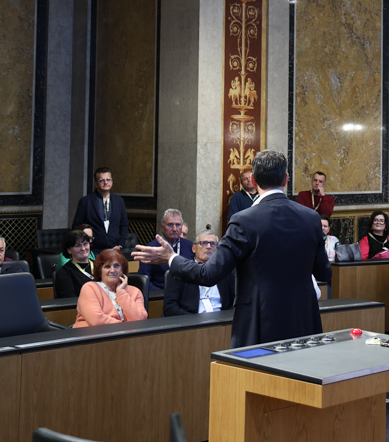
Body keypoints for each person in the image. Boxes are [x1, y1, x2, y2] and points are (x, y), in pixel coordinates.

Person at [133, 149, 331, 348]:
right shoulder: (311, 218)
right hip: (304, 322)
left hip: (260, 324)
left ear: (253, 180)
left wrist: (171, 258)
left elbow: (208, 274)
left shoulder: (244, 220)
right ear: (286, 179)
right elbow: (324, 272)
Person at [163, 231, 237, 316]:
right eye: (203, 243)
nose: (208, 247)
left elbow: (235, 301)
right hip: (191, 321)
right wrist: (193, 321)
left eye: (213, 244)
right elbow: (170, 308)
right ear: (194, 248)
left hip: (221, 321)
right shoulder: (179, 271)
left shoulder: (225, 271)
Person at [72, 248, 148, 327]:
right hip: (93, 333)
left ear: (123, 270)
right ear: (100, 271)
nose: (112, 270)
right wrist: (125, 327)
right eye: (107, 267)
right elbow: (97, 321)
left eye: (116, 266)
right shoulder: (90, 288)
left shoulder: (135, 291)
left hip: (127, 334)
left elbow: (140, 320)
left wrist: (121, 292)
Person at [72, 167, 130, 253]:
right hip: (93, 249)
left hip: (114, 249)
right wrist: (85, 244)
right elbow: (77, 226)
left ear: (112, 182)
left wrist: (120, 245)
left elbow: (124, 225)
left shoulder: (119, 201)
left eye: (108, 179)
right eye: (101, 180)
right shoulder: (85, 201)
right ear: (96, 184)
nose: (105, 182)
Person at [137, 209, 194, 289]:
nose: (174, 229)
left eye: (178, 225)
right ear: (162, 227)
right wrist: (162, 294)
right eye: (170, 225)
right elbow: (143, 280)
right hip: (161, 293)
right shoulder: (151, 248)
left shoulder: (190, 246)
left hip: (187, 292)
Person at [53, 229, 95, 299]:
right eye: (78, 246)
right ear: (69, 250)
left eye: (85, 244)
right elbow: (69, 299)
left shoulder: (100, 266)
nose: (83, 248)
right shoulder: (64, 272)